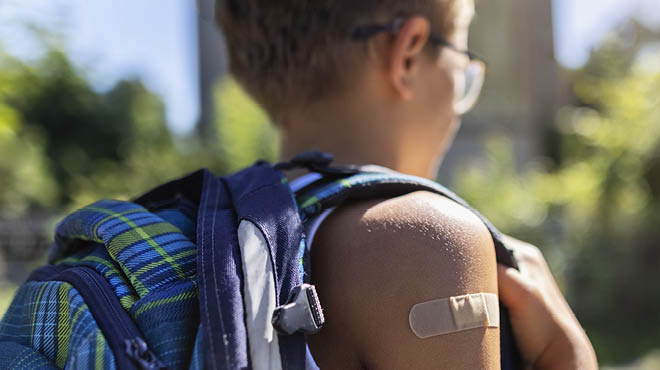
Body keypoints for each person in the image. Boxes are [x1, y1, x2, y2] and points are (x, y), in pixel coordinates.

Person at [216, 0, 598, 368]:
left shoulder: (219, 227)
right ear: (409, 55)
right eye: (463, 70)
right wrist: (567, 354)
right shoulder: (428, 243)